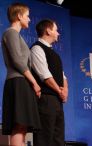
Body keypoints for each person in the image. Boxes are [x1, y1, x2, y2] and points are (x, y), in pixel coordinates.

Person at [1, 2, 41, 146]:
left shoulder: (17, 36)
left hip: (22, 82)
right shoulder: (10, 33)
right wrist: (34, 83)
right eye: (27, 16)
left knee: (22, 127)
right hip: (17, 82)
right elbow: (18, 61)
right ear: (19, 16)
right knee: (19, 125)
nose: (29, 19)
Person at [30, 19, 68, 146]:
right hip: (45, 100)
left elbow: (63, 76)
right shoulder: (37, 48)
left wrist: (65, 91)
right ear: (48, 30)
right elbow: (44, 75)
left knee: (58, 139)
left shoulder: (55, 54)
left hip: (57, 101)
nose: (58, 33)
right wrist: (59, 91)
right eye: (56, 30)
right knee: (44, 138)